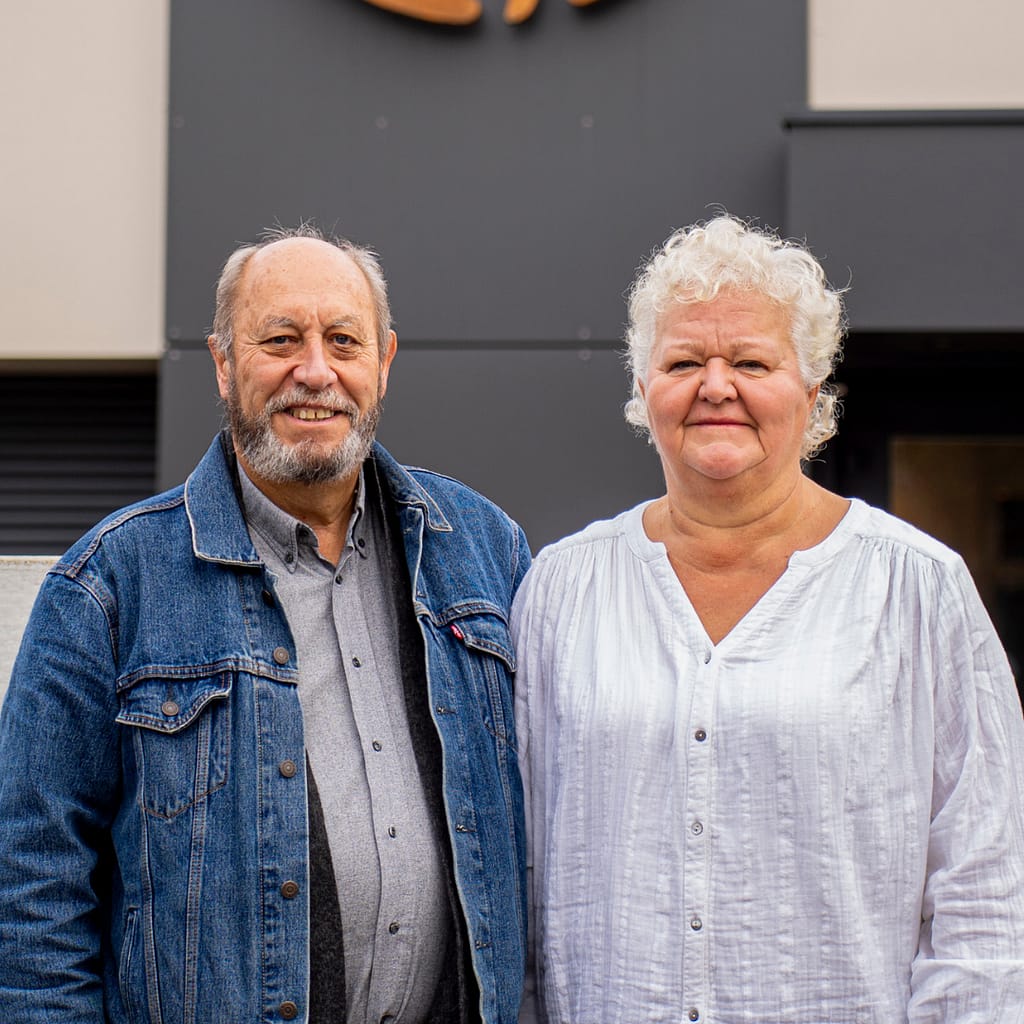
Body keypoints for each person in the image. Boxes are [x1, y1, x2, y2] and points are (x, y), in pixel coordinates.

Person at [0, 226, 530, 1024]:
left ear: (383, 361)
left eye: (343, 341)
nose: (315, 371)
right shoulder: (108, 586)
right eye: (280, 340)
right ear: (223, 363)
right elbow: (31, 890)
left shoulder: (485, 550)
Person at [512, 215, 1024, 1023]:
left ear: (812, 393)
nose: (717, 386)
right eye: (684, 362)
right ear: (644, 390)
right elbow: (514, 872)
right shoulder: (562, 588)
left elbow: (987, 891)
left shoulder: (918, 588)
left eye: (751, 362)